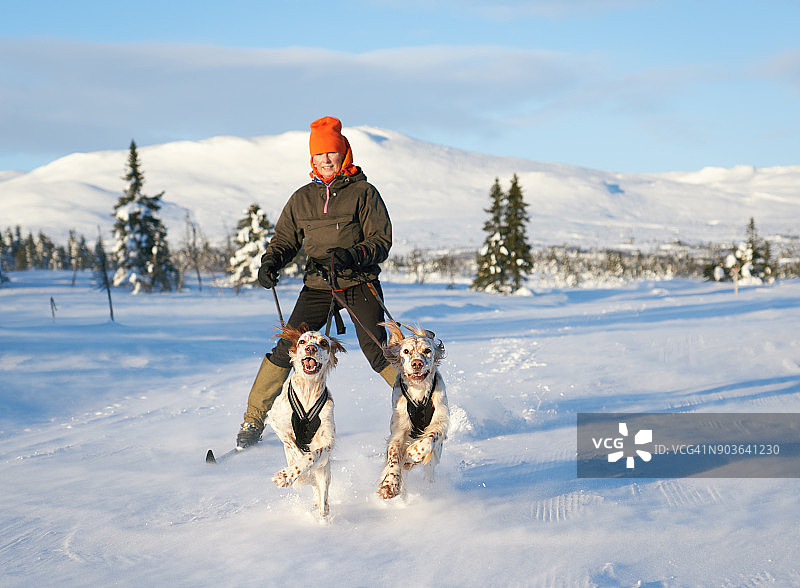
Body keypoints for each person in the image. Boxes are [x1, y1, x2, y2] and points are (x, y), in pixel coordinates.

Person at [236, 116, 397, 449]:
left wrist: (353, 255)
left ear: (344, 154)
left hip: (357, 281)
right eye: (319, 154)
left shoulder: (364, 193)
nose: (326, 160)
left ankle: (418, 404)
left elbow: (381, 240)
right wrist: (271, 262)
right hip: (318, 284)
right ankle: (252, 421)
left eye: (331, 153)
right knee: (289, 347)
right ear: (312, 158)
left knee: (378, 348)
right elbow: (284, 240)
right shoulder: (302, 198)